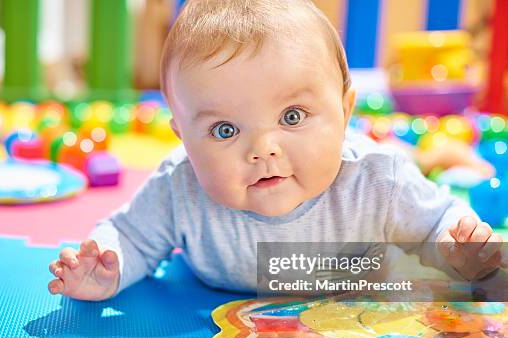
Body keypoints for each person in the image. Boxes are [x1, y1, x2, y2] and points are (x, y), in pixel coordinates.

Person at [48, 0, 506, 301]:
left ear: (345, 112)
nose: (263, 150)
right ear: (183, 137)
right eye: (225, 129)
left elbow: (434, 222)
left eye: (292, 117)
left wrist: (457, 249)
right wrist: (106, 268)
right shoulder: (180, 186)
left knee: (425, 169)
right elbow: (130, 236)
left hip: (355, 328)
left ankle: (442, 156)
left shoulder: (378, 180)